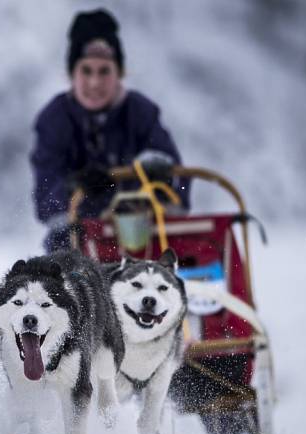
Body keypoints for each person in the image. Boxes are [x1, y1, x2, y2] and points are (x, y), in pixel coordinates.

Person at [30, 8, 189, 252]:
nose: (95, 82)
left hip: (143, 242)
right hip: (76, 246)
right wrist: (75, 188)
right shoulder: (54, 119)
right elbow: (45, 204)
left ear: (119, 73)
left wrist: (162, 179)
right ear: (72, 73)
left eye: (104, 71)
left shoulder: (141, 112)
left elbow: (179, 188)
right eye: (86, 71)